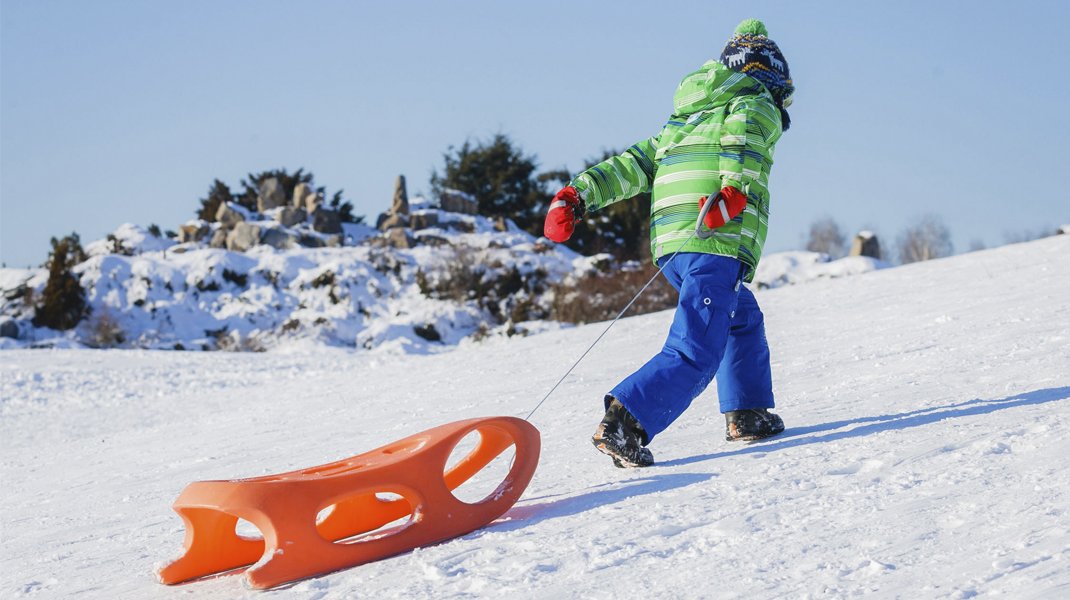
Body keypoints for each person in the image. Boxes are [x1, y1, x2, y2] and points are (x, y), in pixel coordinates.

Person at [543, 19, 793, 468]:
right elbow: (745, 145)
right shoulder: (756, 102)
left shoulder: (684, 122)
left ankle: (748, 410)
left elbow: (635, 163)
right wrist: (733, 193)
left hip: (675, 245)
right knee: (697, 347)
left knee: (741, 317)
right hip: (714, 233)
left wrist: (577, 195)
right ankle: (625, 420)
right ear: (771, 77)